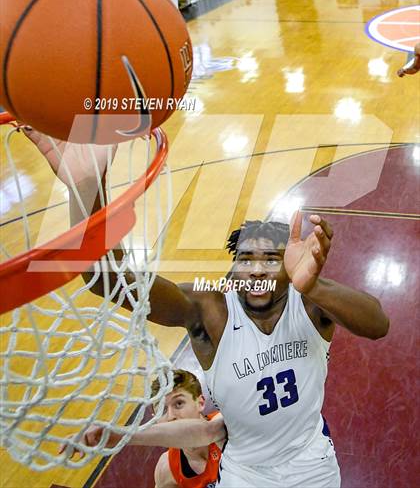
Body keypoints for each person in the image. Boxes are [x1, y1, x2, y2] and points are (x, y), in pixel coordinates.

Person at [26, 129, 390, 488]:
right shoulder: (210, 312)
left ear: (291, 268)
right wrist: (86, 187)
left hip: (315, 470)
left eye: (271, 259)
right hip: (246, 477)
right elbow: (107, 280)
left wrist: (315, 285)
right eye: (245, 258)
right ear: (231, 271)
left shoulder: (309, 304)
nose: (257, 268)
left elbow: (378, 324)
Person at [60, 370, 225, 488]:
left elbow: (205, 432)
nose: (171, 416)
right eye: (162, 410)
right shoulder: (167, 469)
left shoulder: (226, 425)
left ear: (200, 402)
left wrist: (120, 436)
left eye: (179, 403)